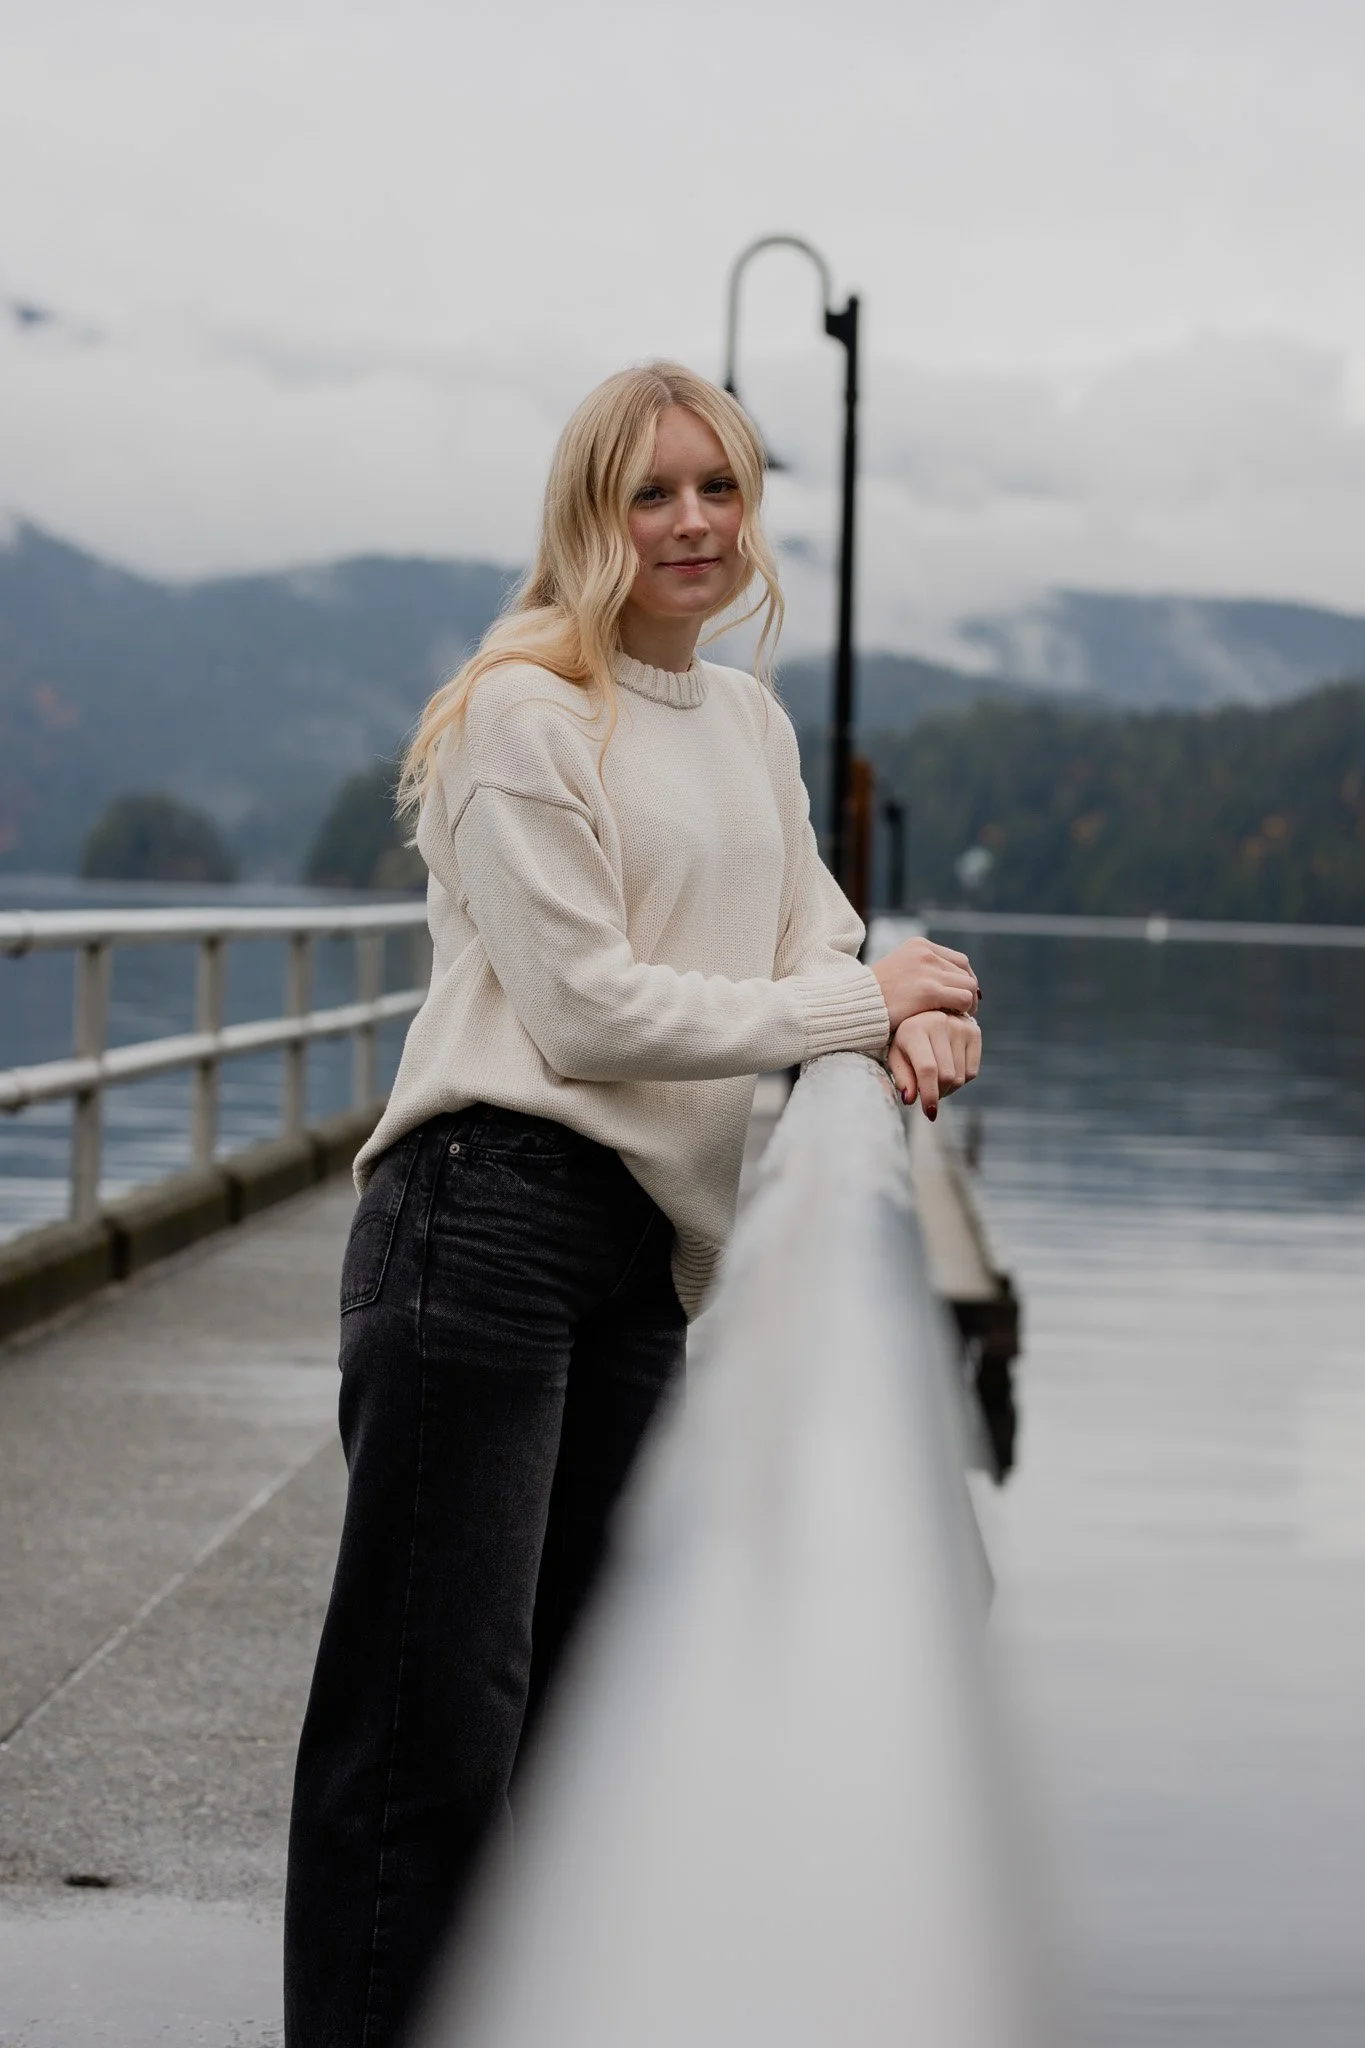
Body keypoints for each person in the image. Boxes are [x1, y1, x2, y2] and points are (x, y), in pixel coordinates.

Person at [282, 361, 982, 2047]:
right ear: (588, 516)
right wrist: (857, 1007)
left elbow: (818, 931)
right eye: (650, 492)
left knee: (577, 1715)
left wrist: (904, 995)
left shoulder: (742, 720)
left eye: (719, 489)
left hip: (640, 1252)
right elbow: (589, 1008)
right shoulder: (521, 709)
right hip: (483, 1218)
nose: (690, 524)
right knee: (428, 1732)